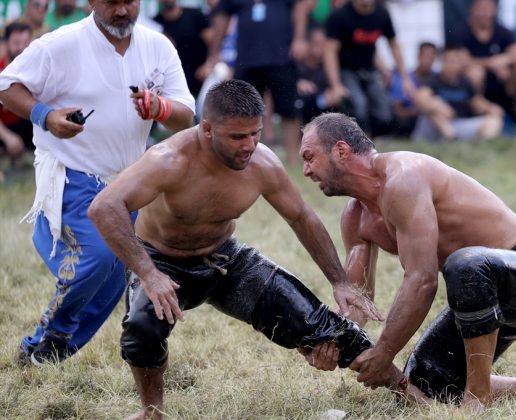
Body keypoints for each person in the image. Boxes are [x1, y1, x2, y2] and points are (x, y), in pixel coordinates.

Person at [88, 80, 384, 419]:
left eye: (256, 133)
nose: (250, 145)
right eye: (238, 137)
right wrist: (148, 274)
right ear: (208, 129)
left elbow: (301, 217)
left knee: (322, 326)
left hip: (224, 258)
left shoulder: (263, 163)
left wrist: (340, 282)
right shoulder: (167, 160)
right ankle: (151, 410)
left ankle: (408, 387)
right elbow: (104, 208)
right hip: (161, 261)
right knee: (141, 330)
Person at [300, 113, 516, 410]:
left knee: (465, 264)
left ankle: (477, 399)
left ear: (340, 151)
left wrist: (385, 352)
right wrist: (327, 341)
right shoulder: (356, 219)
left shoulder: (404, 176)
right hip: (478, 294)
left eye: (309, 157)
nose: (305, 170)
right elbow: (358, 302)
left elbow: (423, 280)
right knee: (427, 380)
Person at [0, 0, 195, 366]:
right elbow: (6, 85)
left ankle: (49, 350)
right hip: (74, 171)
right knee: (101, 253)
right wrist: (45, 116)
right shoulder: (61, 44)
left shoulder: (158, 45)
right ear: (91, 1)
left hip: (130, 180)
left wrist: (159, 108)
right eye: (111, 2)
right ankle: (51, 334)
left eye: (130, 1)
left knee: (115, 274)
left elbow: (186, 114)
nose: (122, 10)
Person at [206, 0, 312, 166]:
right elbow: (221, 17)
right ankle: (247, 158)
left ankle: (294, 158)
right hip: (247, 60)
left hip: (281, 57)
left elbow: (301, 7)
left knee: (289, 109)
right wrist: (214, 52)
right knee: (243, 111)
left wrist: (299, 38)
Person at [324, 0, 414, 135]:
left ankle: (375, 143)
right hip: (346, 70)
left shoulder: (382, 14)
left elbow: (394, 45)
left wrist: (404, 78)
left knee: (384, 112)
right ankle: (356, 144)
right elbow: (330, 51)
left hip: (370, 70)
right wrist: (335, 84)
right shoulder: (340, 15)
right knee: (358, 106)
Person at [451, 0, 516, 136]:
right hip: (476, 91)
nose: (485, 13)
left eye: (488, 8)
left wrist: (503, 62)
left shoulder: (503, 31)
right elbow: (461, 61)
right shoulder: (461, 33)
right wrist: (492, 64)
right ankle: (481, 125)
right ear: (472, 10)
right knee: (475, 73)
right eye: (481, 8)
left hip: (505, 86)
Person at [411, 44, 503, 142]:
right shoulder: (433, 79)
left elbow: (476, 103)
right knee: (434, 107)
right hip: (433, 127)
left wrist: (491, 108)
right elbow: (420, 99)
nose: (451, 65)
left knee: (493, 121)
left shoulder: (465, 82)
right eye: (448, 61)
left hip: (458, 124)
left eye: (454, 61)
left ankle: (482, 147)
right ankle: (450, 139)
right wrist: (438, 106)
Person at [154, 0, 211, 97]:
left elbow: (213, 43)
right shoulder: (155, 25)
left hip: (203, 78)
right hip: (175, 84)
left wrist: (209, 64)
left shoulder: (195, 14)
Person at [0, 22, 33, 180]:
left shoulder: (35, 70)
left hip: (26, 124)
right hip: (4, 127)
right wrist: (8, 138)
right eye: (16, 43)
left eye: (26, 44)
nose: (21, 49)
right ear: (6, 43)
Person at [388, 41, 437, 137]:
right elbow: (397, 112)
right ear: (418, 56)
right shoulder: (405, 80)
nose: (428, 61)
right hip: (409, 123)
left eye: (432, 57)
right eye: (426, 56)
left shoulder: (437, 78)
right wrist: (420, 111)